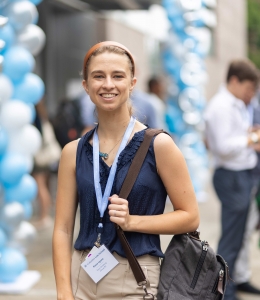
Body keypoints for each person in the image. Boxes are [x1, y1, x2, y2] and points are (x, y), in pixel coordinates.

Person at [52, 41, 200, 300]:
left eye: (117, 76)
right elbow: (62, 229)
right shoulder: (72, 152)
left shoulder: (159, 145)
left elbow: (190, 217)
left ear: (132, 83)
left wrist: (133, 222)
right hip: (81, 277)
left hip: (136, 277)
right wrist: (64, 291)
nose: (108, 84)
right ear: (86, 86)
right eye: (98, 76)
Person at [204, 59, 260, 300]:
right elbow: (223, 147)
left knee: (238, 237)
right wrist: (251, 140)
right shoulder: (220, 107)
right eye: (249, 88)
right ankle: (225, 291)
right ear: (234, 81)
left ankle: (234, 283)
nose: (251, 94)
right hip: (231, 176)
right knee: (231, 238)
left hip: (241, 175)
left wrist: (248, 136)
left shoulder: (233, 104)